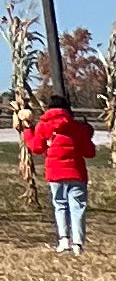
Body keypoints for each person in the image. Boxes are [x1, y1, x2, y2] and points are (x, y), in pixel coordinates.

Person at [22, 90, 94, 253]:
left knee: (60, 205)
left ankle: (63, 240)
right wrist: (88, 136)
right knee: (77, 208)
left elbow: (37, 148)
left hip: (55, 173)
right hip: (76, 173)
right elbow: (90, 152)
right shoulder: (77, 127)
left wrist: (27, 132)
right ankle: (78, 243)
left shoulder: (43, 126)